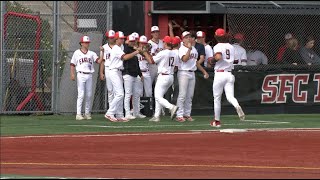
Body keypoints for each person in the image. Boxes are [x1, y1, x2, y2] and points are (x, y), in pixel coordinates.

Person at [209, 28, 245, 128]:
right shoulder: (231, 47)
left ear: (216, 37)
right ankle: (236, 105)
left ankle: (217, 121)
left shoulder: (217, 46)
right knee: (230, 97)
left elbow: (218, 57)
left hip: (220, 74)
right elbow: (236, 61)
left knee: (217, 98)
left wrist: (212, 60)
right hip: (229, 73)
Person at [104, 31, 143, 122]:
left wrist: (136, 49)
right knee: (120, 94)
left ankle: (120, 115)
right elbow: (125, 57)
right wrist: (137, 51)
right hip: (114, 71)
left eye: (123, 38)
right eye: (121, 38)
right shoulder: (116, 48)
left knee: (120, 94)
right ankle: (110, 112)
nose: (123, 40)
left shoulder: (120, 47)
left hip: (118, 71)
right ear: (116, 39)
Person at [176, 31, 209, 122]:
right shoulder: (182, 48)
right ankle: (179, 114)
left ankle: (187, 114)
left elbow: (196, 63)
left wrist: (204, 71)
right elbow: (185, 59)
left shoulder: (194, 49)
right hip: (183, 72)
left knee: (190, 96)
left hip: (192, 72)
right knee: (182, 95)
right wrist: (189, 49)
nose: (188, 39)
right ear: (182, 39)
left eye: (189, 37)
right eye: (186, 37)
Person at [144, 36, 179, 122]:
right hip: (170, 76)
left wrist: (145, 53)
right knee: (159, 96)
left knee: (157, 96)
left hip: (163, 76)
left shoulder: (163, 52)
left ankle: (171, 107)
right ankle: (156, 116)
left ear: (165, 43)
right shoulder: (175, 53)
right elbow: (176, 68)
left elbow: (152, 61)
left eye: (164, 42)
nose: (163, 43)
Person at [70, 35, 103, 120]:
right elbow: (72, 64)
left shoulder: (91, 53)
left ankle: (87, 113)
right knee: (81, 94)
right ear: (81, 43)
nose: (87, 44)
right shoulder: (77, 52)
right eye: (85, 42)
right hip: (80, 74)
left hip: (89, 75)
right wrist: (72, 74)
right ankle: (78, 114)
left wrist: (102, 52)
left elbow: (99, 61)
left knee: (89, 95)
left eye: (88, 42)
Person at [122, 34, 144, 120]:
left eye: (133, 41)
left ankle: (136, 112)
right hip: (127, 73)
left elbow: (137, 64)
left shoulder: (133, 49)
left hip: (134, 74)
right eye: (131, 41)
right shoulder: (125, 48)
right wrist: (136, 51)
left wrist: (140, 74)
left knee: (136, 94)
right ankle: (127, 113)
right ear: (128, 41)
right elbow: (126, 57)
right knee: (128, 94)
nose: (132, 43)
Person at [100, 30, 116, 110]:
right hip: (108, 69)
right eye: (110, 38)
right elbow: (102, 61)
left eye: (113, 38)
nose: (112, 39)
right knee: (110, 90)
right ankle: (111, 109)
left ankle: (116, 110)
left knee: (117, 91)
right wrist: (101, 72)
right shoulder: (104, 47)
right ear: (107, 38)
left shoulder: (119, 46)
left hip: (116, 69)